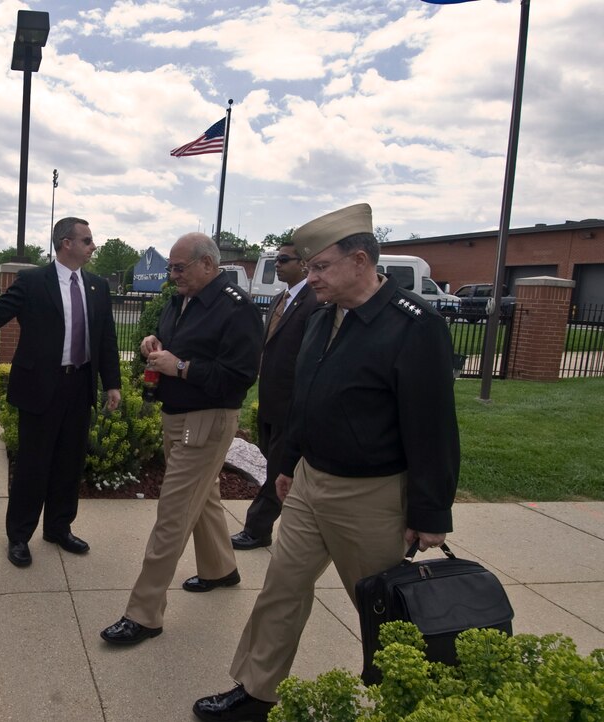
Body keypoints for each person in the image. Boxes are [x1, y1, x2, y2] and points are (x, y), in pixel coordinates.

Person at [192, 203, 459, 721]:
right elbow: (305, 400)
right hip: (310, 484)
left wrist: (430, 512)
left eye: (320, 266)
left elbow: (433, 428)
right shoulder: (321, 318)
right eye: (308, 266)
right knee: (282, 588)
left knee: (384, 609)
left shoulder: (414, 326)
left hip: (371, 497)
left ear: (360, 261)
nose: (309, 276)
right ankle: (257, 691)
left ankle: (414, 703)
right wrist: (287, 464)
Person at [100, 232, 263, 646]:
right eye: (171, 268)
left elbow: (240, 377)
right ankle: (220, 568)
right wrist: (153, 344)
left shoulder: (237, 309)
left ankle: (144, 614)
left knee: (173, 513)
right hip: (177, 417)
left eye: (179, 267)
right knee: (203, 497)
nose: (172, 275)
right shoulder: (181, 300)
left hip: (207, 420)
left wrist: (182, 367)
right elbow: (175, 346)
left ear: (207, 264)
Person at [0, 217, 121, 568]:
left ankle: (58, 528)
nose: (93, 246)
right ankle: (19, 536)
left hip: (79, 385)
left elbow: (106, 337)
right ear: (66, 243)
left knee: (69, 463)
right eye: (87, 240)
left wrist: (112, 383)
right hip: (41, 387)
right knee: (33, 465)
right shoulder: (33, 282)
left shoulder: (96, 286)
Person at [230, 241, 320, 551]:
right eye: (276, 260)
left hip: (292, 404)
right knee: (275, 466)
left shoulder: (314, 302)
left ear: (303, 264)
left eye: (283, 259)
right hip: (269, 400)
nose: (277, 265)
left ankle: (257, 529)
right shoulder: (280, 299)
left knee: (278, 470)